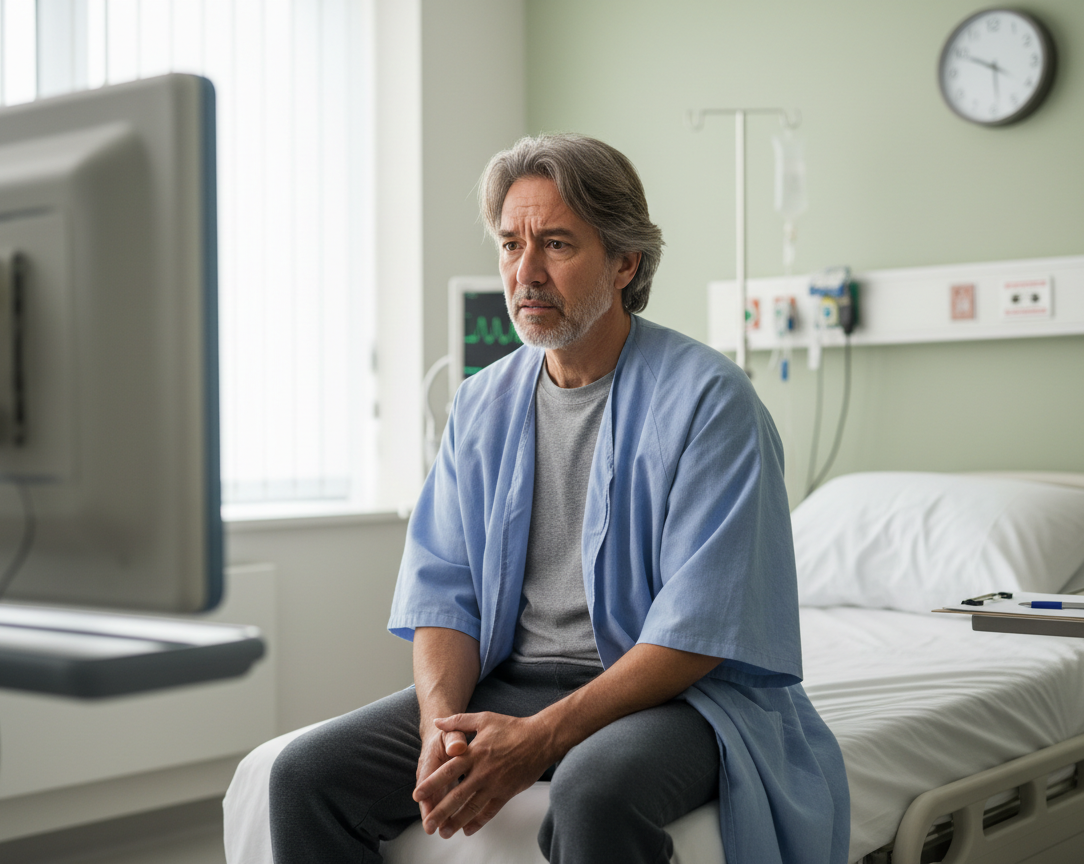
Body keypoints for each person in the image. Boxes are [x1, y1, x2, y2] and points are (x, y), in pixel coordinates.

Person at [264, 133, 849, 864]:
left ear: (625, 262)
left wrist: (542, 737)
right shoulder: (481, 405)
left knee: (592, 792)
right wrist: (440, 728)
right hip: (512, 680)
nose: (526, 273)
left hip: (676, 700)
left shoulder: (709, 401)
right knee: (303, 778)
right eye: (511, 245)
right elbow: (443, 594)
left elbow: (698, 630)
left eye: (558, 245)